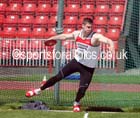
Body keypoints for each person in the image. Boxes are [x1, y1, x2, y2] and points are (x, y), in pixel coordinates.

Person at [25, 18, 114, 112]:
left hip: (88, 68)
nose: (90, 29)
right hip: (76, 62)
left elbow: (107, 40)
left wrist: (111, 45)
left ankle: (76, 103)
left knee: (82, 89)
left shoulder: (95, 37)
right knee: (58, 76)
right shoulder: (77, 34)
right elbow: (64, 36)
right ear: (83, 26)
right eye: (88, 27)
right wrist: (52, 38)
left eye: (91, 27)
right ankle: (38, 90)